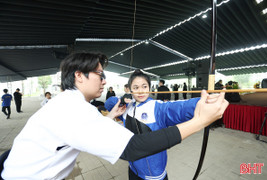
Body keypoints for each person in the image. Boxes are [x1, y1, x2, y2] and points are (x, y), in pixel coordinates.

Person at [2, 52, 228, 180]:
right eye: (100, 74)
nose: (104, 80)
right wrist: (200, 122)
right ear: (79, 76)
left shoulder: (69, 103)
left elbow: (176, 109)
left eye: (144, 86)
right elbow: (133, 147)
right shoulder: (73, 109)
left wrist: (203, 102)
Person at [105, 69, 228, 180]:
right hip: (133, 169)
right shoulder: (126, 107)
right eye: (136, 88)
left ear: (150, 87)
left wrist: (204, 102)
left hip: (154, 175)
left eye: (144, 86)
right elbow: (108, 105)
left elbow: (179, 108)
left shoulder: (157, 107)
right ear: (130, 90)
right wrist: (120, 100)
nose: (141, 91)